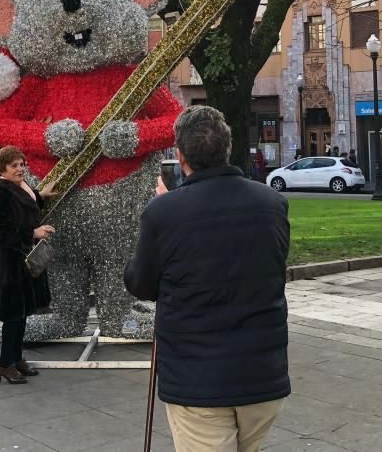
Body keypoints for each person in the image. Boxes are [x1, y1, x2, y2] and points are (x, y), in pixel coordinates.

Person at [125, 106, 291, 452]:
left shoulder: (163, 212)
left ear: (179, 155)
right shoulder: (271, 203)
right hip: (263, 373)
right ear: (227, 149)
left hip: (197, 378)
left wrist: (165, 214)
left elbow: (140, 283)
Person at [0, 146, 55, 385]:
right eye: (14, 165)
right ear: (1, 169)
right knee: (14, 316)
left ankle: (16, 359)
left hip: (22, 263)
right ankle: (5, 364)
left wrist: (41, 195)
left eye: (22, 164)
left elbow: (28, 203)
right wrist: (33, 232)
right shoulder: (0, 193)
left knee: (23, 313)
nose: (20, 169)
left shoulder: (18, 186)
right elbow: (1, 233)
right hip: (9, 264)